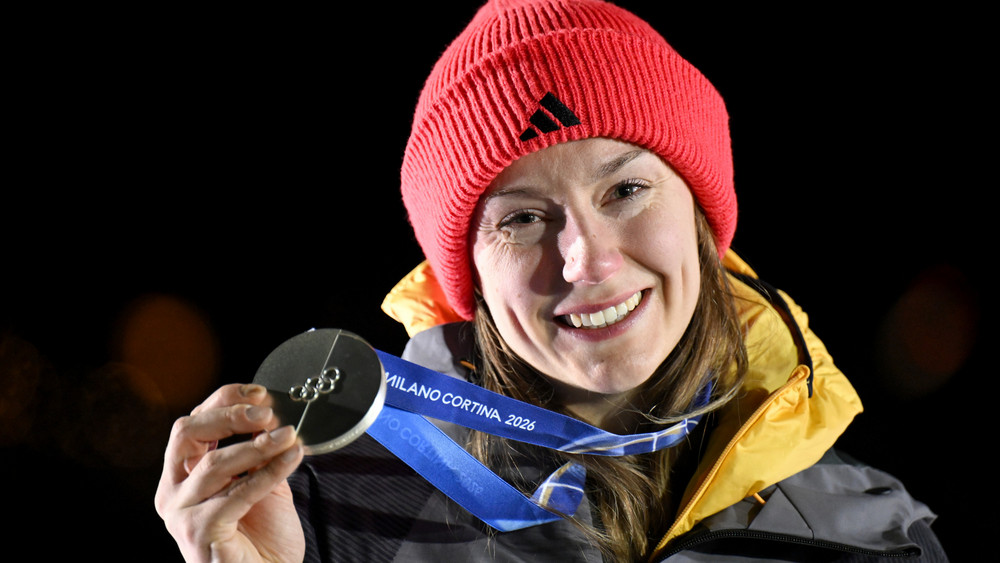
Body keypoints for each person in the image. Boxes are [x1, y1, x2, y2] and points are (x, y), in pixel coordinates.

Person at [155, 1, 947, 561]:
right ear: (467, 272)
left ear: (703, 218)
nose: (587, 262)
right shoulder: (326, 518)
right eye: (524, 219)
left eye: (625, 191)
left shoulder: (875, 534)